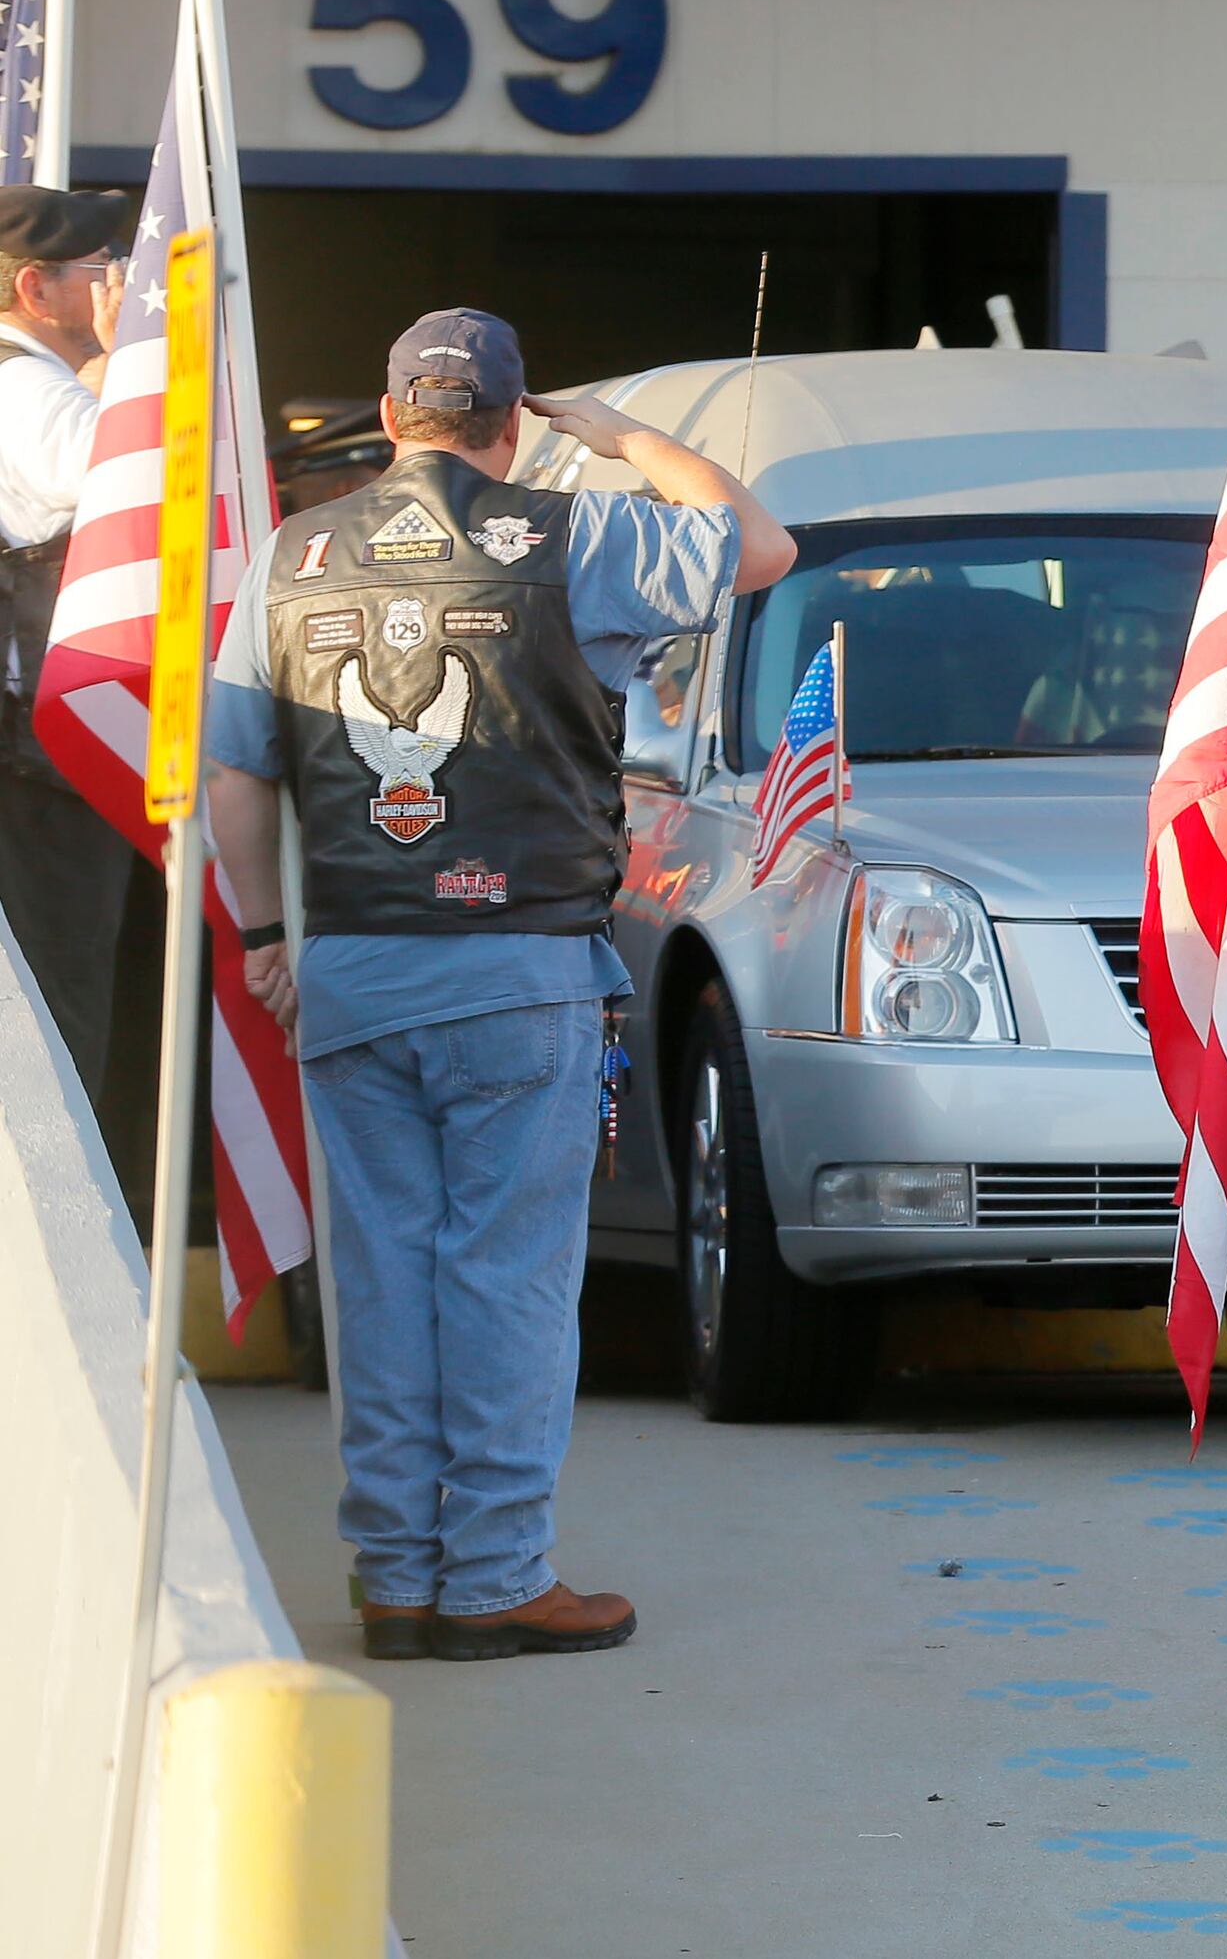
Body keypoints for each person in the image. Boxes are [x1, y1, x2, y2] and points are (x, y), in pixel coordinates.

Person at [204, 309, 795, 1663]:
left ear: (388, 408)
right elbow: (763, 547)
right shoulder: (572, 535)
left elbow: (236, 771)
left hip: (351, 961)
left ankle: (397, 1578)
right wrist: (631, 437)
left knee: (385, 1275)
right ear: (516, 420)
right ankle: (495, 1576)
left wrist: (263, 939)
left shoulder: (290, 554)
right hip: (516, 960)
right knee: (507, 1277)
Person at [0, 184, 137, 1131]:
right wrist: (136, 364)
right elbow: (135, 479)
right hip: (39, 765)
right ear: (33, 288)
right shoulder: (26, 389)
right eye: (98, 270)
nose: (117, 286)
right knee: (58, 1014)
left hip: (39, 758)